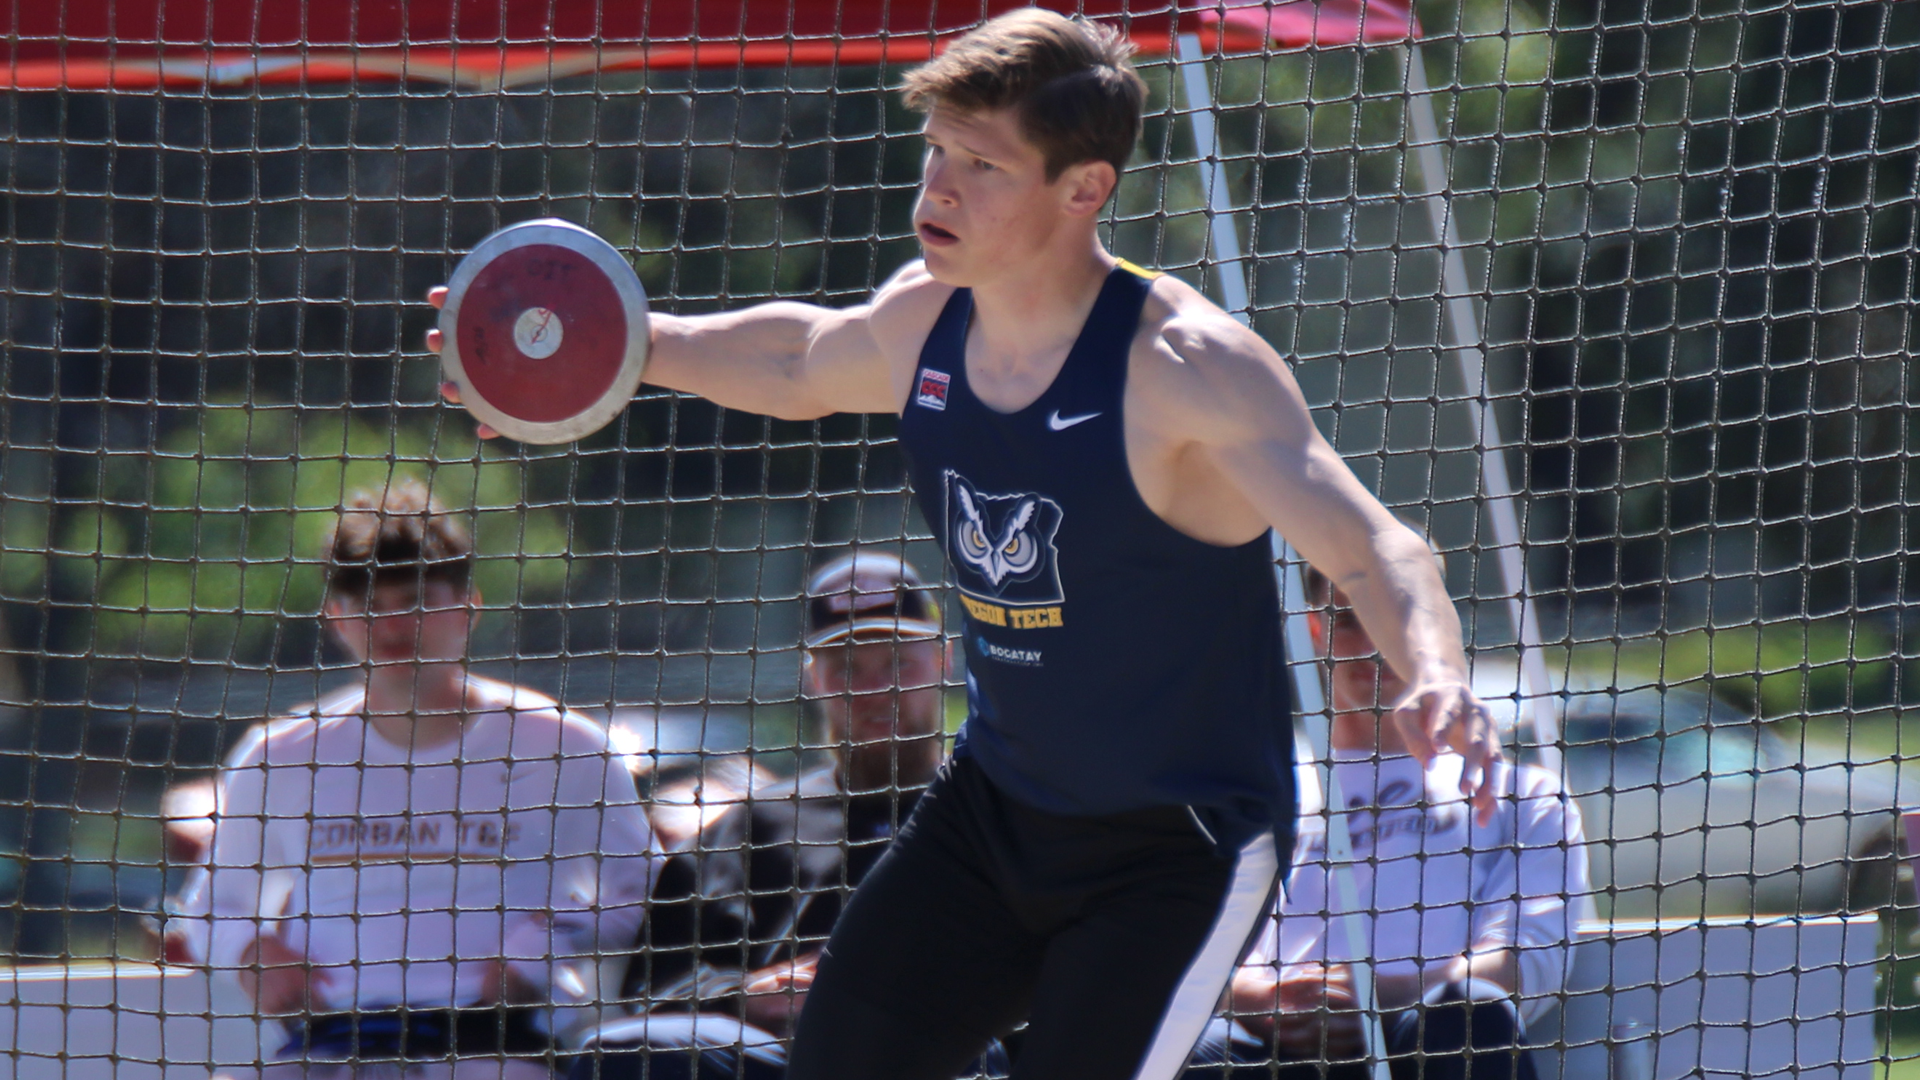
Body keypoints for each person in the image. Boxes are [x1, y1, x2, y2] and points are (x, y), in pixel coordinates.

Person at [429, 12, 1499, 1078]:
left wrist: (1439, 674)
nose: (938, 187)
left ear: (1082, 189)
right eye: (936, 149)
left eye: (981, 164)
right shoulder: (927, 316)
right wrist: (616, 347)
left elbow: (1377, 549)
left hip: (1178, 852)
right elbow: (801, 361)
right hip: (993, 818)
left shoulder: (1185, 367)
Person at [173, 480, 659, 1079]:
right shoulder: (281, 755)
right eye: (369, 606)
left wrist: (535, 956)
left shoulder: (562, 744)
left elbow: (642, 887)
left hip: (502, 1043)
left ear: (469, 606)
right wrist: (251, 955)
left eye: (418, 599)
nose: (394, 624)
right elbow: (210, 907)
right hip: (330, 1042)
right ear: (334, 619)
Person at [1190, 557, 1594, 1080]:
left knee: (1470, 1014)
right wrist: (1258, 998)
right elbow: (1181, 958)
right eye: (1352, 619)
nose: (1373, 644)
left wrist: (1370, 995)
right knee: (1186, 1048)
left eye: (1395, 619)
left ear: (1434, 628)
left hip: (1425, 1044)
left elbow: (1523, 965)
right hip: (1268, 1051)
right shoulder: (1256, 797)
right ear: (1315, 627)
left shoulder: (1521, 793)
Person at [575, 550, 953, 1080]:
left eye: (897, 662)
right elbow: (657, 982)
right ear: (812, 678)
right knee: (623, 1055)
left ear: (943, 660)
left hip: (945, 1054)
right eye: (845, 667)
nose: (873, 689)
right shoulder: (755, 827)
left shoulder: (991, 811)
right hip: (774, 1062)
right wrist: (750, 998)